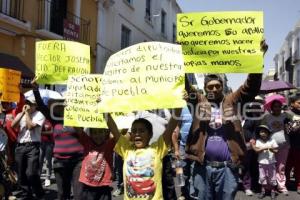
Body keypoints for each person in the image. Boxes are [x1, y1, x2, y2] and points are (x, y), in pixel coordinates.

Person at [104, 107, 181, 200]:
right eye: (134, 131)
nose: (137, 134)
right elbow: (113, 129)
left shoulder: (158, 149)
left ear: (150, 134)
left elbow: (172, 125)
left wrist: (179, 105)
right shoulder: (126, 150)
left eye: (141, 131)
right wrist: (104, 110)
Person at [32, 80, 84, 200]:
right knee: (62, 194)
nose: (65, 105)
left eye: (68, 103)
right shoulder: (54, 118)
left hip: (78, 161)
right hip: (60, 162)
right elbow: (40, 105)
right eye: (63, 103)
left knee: (79, 195)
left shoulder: (80, 117)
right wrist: (35, 90)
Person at [11, 96, 46, 199]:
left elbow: (30, 127)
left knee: (31, 172)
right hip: (20, 146)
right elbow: (13, 125)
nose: (28, 106)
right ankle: (27, 193)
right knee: (21, 173)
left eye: (30, 104)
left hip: (33, 146)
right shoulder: (20, 114)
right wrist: (22, 113)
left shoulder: (39, 115)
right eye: (27, 103)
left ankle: (39, 193)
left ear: (35, 105)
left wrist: (26, 114)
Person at [77, 128, 117, 200]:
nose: (98, 135)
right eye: (94, 133)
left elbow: (118, 135)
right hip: (88, 187)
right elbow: (77, 129)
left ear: (105, 133)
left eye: (100, 132)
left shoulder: (109, 144)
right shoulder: (87, 141)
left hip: (104, 187)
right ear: (91, 134)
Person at [261, 97, 291, 195]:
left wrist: (290, 125)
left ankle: (281, 186)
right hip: (270, 146)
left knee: (281, 167)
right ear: (271, 107)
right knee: (270, 166)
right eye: (275, 107)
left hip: (284, 145)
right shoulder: (267, 117)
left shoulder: (285, 116)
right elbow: (263, 130)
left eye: (279, 106)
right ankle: (270, 186)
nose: (277, 108)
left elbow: (290, 128)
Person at [252, 125, 278, 200]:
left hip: (271, 162)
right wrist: (264, 148)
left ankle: (272, 191)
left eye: (264, 132)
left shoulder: (272, 140)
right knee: (262, 177)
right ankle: (263, 191)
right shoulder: (258, 141)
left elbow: (276, 150)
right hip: (262, 162)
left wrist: (271, 149)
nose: (263, 133)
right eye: (261, 132)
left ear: (268, 133)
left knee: (272, 177)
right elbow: (257, 151)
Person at [172, 106, 193, 200]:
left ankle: (194, 194)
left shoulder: (198, 106)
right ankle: (183, 193)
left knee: (194, 172)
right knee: (180, 171)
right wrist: (176, 149)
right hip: (183, 146)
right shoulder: (181, 107)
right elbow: (176, 129)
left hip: (196, 148)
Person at [285, 94, 300, 194]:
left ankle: (298, 185)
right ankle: (286, 183)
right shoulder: (287, 114)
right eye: (299, 103)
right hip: (289, 145)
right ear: (292, 103)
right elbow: (289, 131)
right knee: (287, 166)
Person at [39, 119, 54, 187]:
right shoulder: (40, 120)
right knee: (39, 161)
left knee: (48, 161)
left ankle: (48, 178)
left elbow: (52, 132)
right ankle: (38, 176)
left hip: (49, 143)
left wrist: (41, 132)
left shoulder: (51, 121)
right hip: (40, 143)